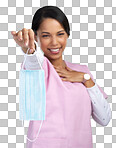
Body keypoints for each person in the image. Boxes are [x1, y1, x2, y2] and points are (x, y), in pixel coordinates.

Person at [11, 5, 111, 148]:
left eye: (60, 34)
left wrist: (85, 79)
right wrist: (29, 49)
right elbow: (33, 62)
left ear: (68, 35)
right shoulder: (38, 69)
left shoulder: (82, 71)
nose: (54, 42)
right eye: (45, 35)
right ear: (36, 36)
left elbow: (104, 119)